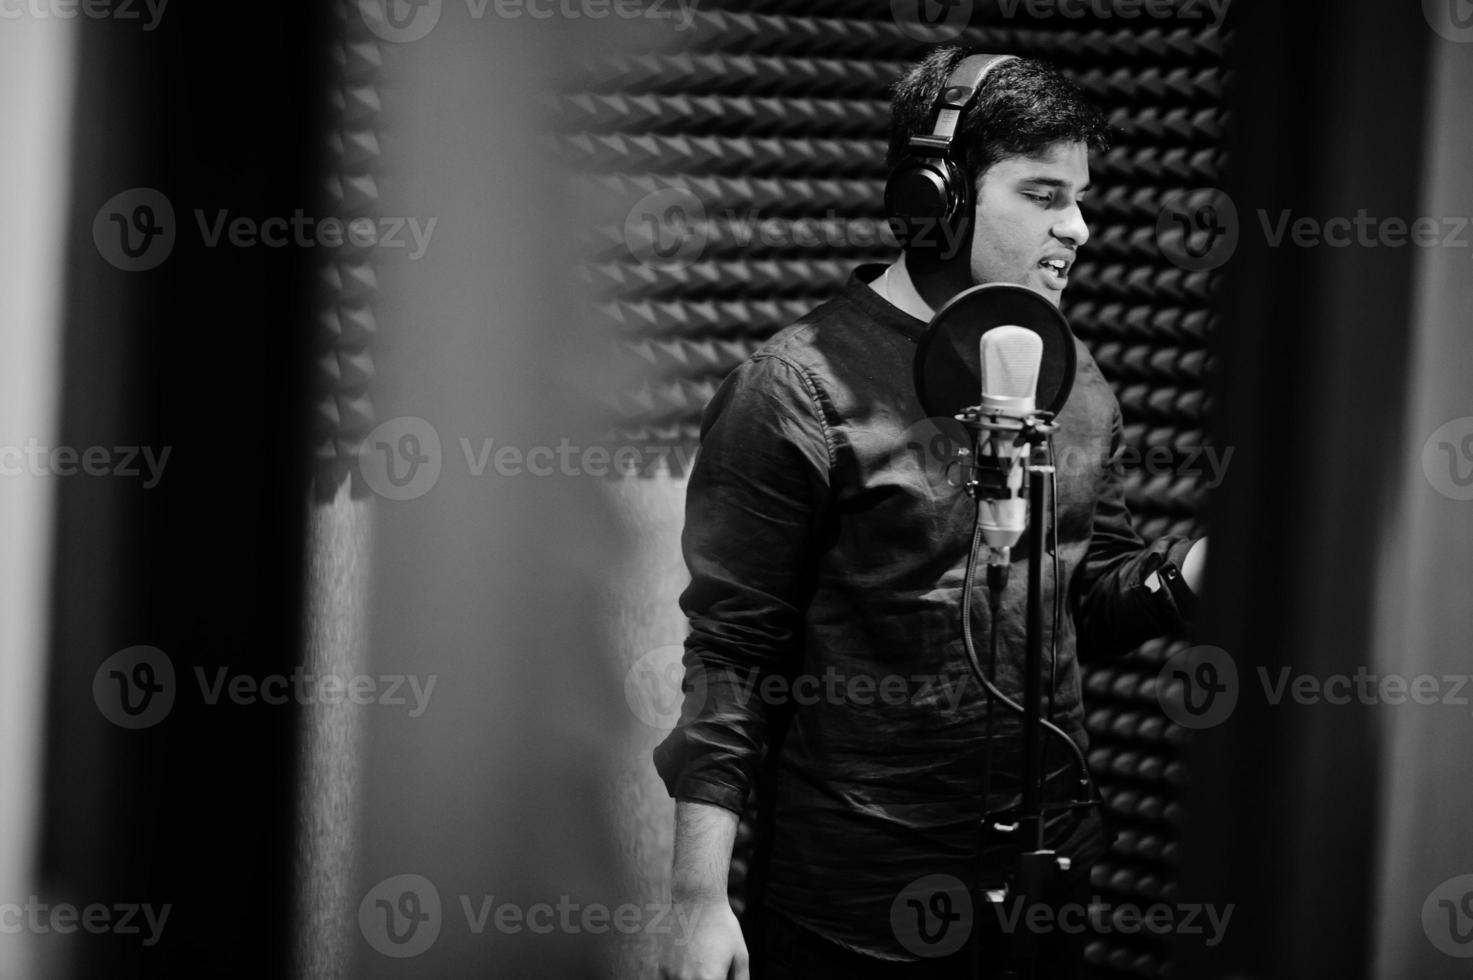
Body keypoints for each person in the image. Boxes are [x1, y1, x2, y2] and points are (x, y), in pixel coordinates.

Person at [653, 45, 1208, 979]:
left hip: (1045, 878)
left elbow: (1083, 605)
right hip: (860, 900)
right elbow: (732, 658)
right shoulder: (793, 389)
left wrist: (1202, 568)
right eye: (1041, 195)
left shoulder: (1066, 371)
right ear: (935, 197)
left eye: (1079, 197)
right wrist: (695, 899)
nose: (1077, 227)